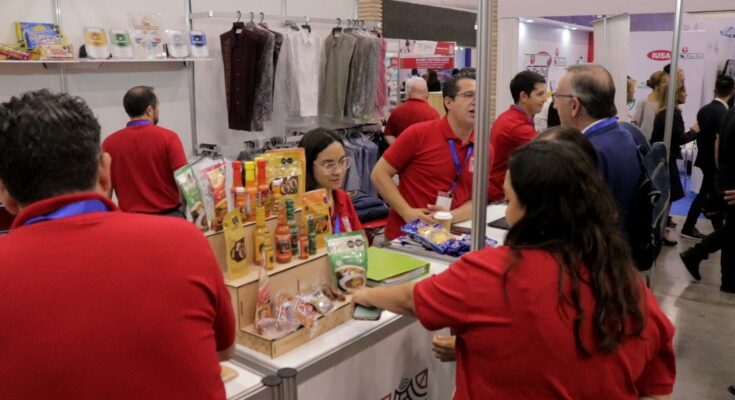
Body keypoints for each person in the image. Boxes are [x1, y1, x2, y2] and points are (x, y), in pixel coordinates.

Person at [354, 141, 676, 399]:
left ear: (530, 207)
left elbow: (412, 299)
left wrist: (365, 293)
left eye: (508, 201)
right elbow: (655, 387)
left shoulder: (492, 273)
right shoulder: (626, 283)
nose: (506, 213)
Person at [0, 90, 235, 399]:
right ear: (103, 171)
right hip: (168, 219)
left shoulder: (113, 141)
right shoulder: (185, 241)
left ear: (5, 195)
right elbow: (224, 349)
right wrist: (201, 214)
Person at [372, 71, 483, 240]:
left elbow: (478, 199)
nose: (476, 101)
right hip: (406, 238)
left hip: (451, 238)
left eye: (479, 96)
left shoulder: (484, 148)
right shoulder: (419, 134)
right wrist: (406, 212)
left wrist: (449, 216)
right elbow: (379, 174)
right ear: (448, 102)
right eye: (468, 95)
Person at [554, 64, 643, 235]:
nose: (555, 105)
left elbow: (573, 223)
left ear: (574, 105)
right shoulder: (625, 135)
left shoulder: (585, 153)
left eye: (557, 96)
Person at [102, 86, 188, 217]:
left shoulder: (109, 143)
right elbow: (186, 182)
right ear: (149, 110)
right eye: (157, 107)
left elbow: (105, 191)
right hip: (168, 218)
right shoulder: (169, 138)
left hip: (130, 221)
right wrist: (185, 214)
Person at [681, 106, 735, 293]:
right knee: (731, 229)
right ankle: (697, 254)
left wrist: (721, 175)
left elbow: (717, 145)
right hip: (731, 183)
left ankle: (726, 278)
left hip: (724, 177)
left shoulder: (729, 113)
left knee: (731, 229)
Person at [681, 75, 735, 239]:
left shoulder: (704, 109)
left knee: (707, 194)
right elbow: (718, 143)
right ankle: (715, 232)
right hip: (716, 163)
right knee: (708, 195)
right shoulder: (725, 114)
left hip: (704, 159)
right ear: (732, 92)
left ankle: (713, 230)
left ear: (714, 90)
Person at [488, 70, 546, 201]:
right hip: (500, 196)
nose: (544, 99)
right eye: (540, 94)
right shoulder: (514, 125)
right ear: (523, 96)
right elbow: (550, 149)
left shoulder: (513, 117)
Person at [299, 128, 362, 233]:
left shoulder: (343, 198)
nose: (338, 171)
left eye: (342, 161)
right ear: (308, 165)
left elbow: (360, 239)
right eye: (328, 165)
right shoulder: (299, 207)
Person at [650, 79, 699, 207]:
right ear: (676, 94)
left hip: (660, 159)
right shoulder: (673, 113)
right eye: (683, 91)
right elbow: (680, 139)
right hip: (666, 159)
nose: (686, 94)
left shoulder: (662, 111)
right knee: (668, 195)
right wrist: (694, 131)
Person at [384, 77, 440, 145]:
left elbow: (388, 134)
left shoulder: (396, 111)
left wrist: (398, 148)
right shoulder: (432, 113)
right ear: (427, 93)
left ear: (407, 93)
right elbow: (437, 139)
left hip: (401, 150)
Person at [632, 71, 668, 141]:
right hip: (646, 143)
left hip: (662, 143)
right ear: (656, 85)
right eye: (664, 82)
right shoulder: (644, 102)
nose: (667, 85)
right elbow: (635, 124)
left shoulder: (667, 104)